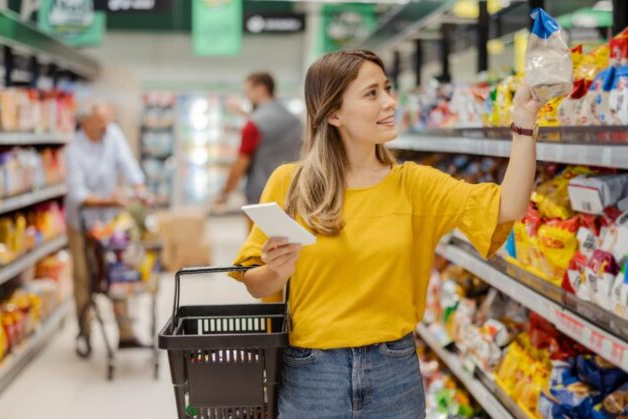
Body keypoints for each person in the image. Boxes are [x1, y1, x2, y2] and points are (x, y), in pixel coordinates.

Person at [229, 50, 541, 417]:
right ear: (333, 113)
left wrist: (523, 125)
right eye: (372, 93)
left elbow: (509, 207)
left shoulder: (414, 184)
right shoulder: (290, 183)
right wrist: (276, 271)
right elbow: (255, 283)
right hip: (313, 375)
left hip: (394, 372)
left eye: (387, 89)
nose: (390, 102)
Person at [65, 101, 149, 354]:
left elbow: (128, 164)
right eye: (100, 124)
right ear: (86, 123)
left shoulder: (112, 134)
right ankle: (84, 332)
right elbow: (79, 194)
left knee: (118, 270)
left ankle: (125, 332)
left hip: (110, 221)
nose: (105, 128)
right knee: (83, 276)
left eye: (107, 123)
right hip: (82, 222)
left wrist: (139, 188)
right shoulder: (74, 150)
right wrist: (111, 199)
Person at [215, 72, 302, 209]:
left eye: (248, 91)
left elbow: (242, 161)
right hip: (292, 192)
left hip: (261, 197)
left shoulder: (253, 124)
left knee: (259, 231)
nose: (247, 96)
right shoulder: (295, 121)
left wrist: (225, 193)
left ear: (261, 89)